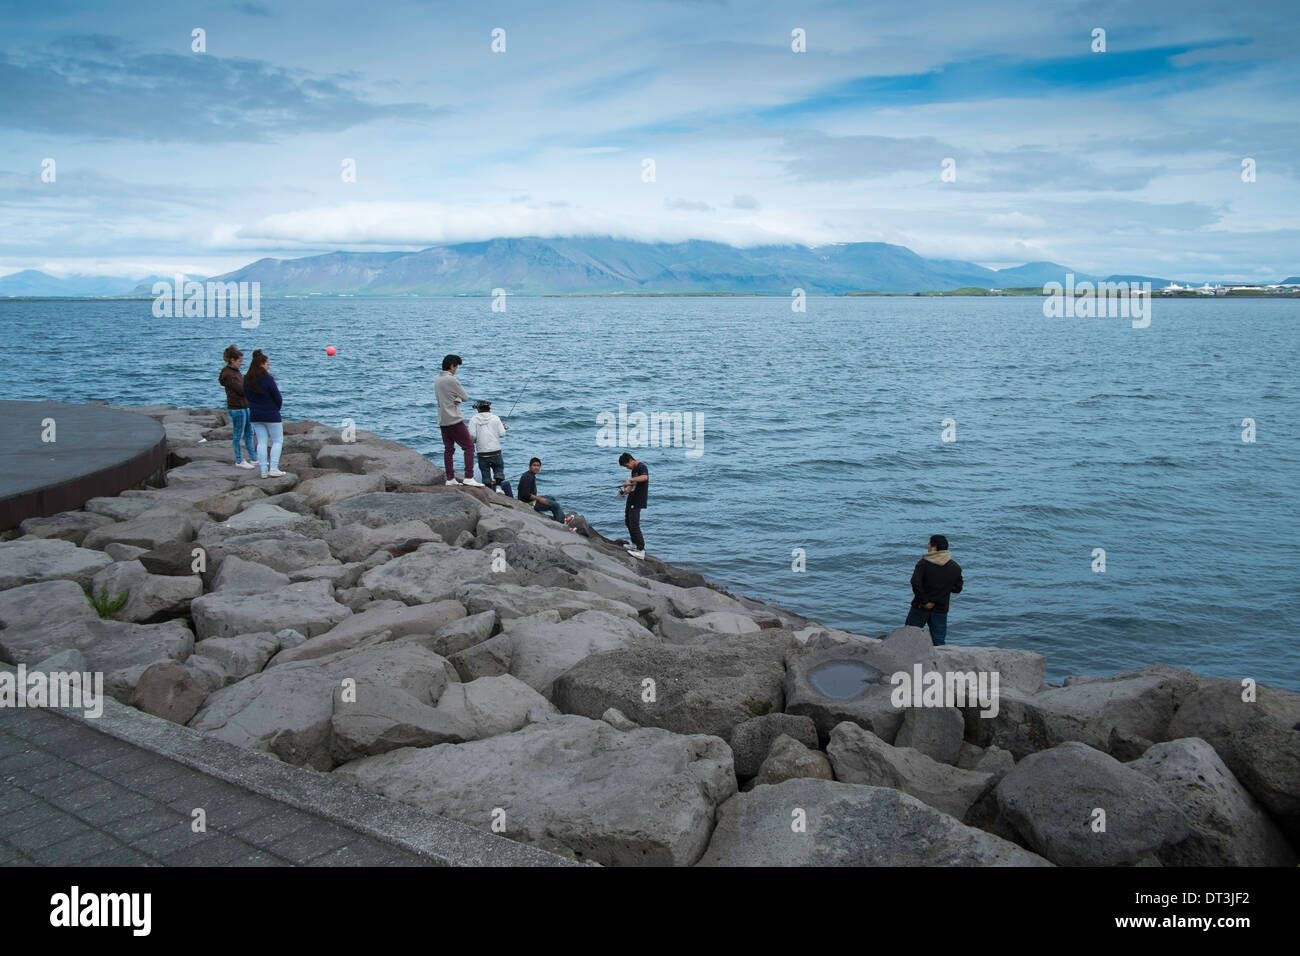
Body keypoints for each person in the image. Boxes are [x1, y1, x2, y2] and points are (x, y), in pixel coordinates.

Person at [904, 534, 964, 645]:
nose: (927, 546)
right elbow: (957, 588)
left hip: (920, 607)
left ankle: (915, 663)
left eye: (929, 544)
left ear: (934, 547)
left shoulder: (924, 563)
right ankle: (937, 662)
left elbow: (915, 582)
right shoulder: (955, 567)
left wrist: (925, 601)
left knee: (909, 638)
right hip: (941, 608)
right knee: (939, 641)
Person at [435, 354, 482, 486]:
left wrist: (454, 399)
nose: (456, 370)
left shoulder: (437, 379)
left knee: (449, 449)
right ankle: (468, 477)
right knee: (469, 447)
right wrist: (457, 400)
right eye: (456, 367)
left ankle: (450, 478)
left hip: (442, 419)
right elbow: (465, 397)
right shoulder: (452, 380)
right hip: (454, 419)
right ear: (451, 366)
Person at [244, 349, 285, 478]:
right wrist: (276, 409)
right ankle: (273, 468)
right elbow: (277, 397)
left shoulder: (247, 379)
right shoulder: (267, 379)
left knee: (261, 442)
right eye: (267, 363)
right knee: (277, 441)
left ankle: (263, 470)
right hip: (271, 413)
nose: (268, 365)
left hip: (255, 414)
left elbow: (246, 396)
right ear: (261, 364)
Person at [218, 345, 256, 469]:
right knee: (238, 434)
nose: (242, 363)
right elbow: (241, 390)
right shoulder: (229, 375)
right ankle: (239, 460)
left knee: (249, 432)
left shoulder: (235, 372)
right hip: (236, 407)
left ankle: (253, 458)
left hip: (244, 405)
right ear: (232, 360)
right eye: (239, 361)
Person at [517, 457, 574, 527]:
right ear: (530, 467)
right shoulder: (527, 477)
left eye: (538, 466)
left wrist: (539, 499)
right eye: (534, 465)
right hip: (528, 503)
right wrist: (540, 499)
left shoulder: (530, 475)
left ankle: (559, 518)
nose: (536, 467)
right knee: (555, 505)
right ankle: (561, 524)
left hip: (531, 501)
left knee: (552, 499)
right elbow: (525, 494)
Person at [469, 400, 510, 496]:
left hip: (482, 451)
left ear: (478, 409)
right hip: (496, 450)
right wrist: (503, 428)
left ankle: (488, 491)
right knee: (498, 468)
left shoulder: (474, 419)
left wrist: (475, 440)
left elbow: (472, 435)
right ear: (489, 408)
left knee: (485, 471)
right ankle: (499, 487)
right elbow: (502, 434)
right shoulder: (495, 418)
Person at [617, 452, 649, 559]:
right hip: (631, 498)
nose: (627, 468)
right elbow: (632, 486)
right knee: (628, 521)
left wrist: (630, 479)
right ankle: (634, 544)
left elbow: (644, 477)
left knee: (634, 524)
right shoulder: (634, 471)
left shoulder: (641, 467)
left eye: (626, 466)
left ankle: (641, 550)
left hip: (638, 500)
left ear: (631, 460)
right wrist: (624, 492)